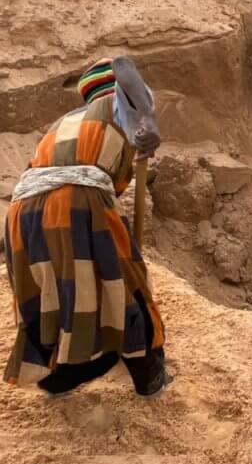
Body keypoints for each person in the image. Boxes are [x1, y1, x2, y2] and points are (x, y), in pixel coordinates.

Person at [3, 57, 170, 396]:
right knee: (125, 281)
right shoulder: (118, 104)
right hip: (75, 202)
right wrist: (149, 120)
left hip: (23, 213)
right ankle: (148, 374)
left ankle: (61, 375)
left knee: (59, 294)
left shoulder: (62, 123)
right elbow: (124, 65)